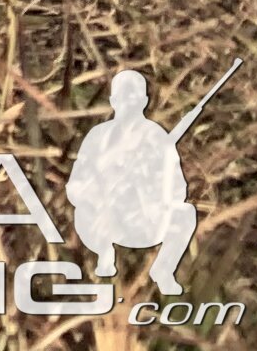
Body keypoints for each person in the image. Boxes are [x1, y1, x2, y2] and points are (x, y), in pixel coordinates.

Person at [68, 70, 200, 296]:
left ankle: (164, 270)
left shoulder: (158, 138)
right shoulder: (99, 137)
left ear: (144, 101)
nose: (128, 104)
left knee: (185, 213)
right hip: (105, 224)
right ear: (112, 101)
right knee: (84, 212)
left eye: (134, 97)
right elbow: (75, 186)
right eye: (122, 97)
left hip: (145, 220)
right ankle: (103, 256)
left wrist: (153, 189)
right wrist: (101, 192)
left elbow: (178, 187)